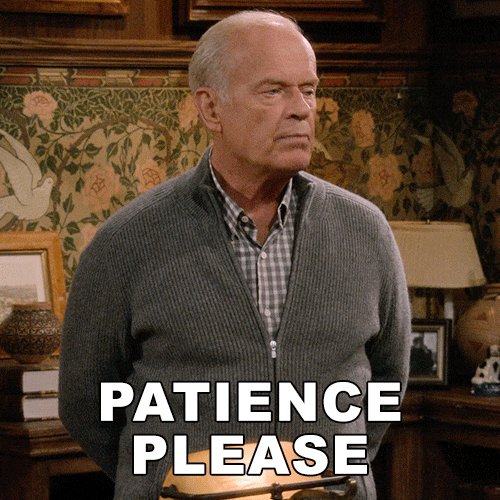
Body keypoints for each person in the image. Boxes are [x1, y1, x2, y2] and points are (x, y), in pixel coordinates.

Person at [59, 10, 411, 500]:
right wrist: (156, 480)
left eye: (308, 90)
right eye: (274, 91)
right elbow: (86, 403)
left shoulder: (364, 230)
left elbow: (388, 381)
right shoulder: (129, 240)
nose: (301, 110)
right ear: (210, 108)